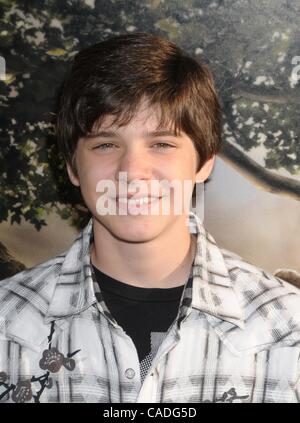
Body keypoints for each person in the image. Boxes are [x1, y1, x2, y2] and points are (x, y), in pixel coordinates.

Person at [0, 32, 300, 404]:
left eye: (162, 144)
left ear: (204, 161)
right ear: (73, 167)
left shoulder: (289, 329)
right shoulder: (6, 324)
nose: (132, 171)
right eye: (106, 144)